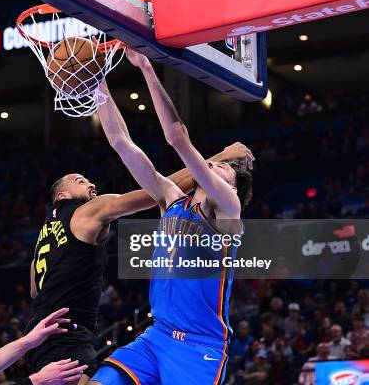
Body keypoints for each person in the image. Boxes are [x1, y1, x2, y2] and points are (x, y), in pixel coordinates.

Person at [89, 48, 253, 385]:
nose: (216, 164)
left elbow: (177, 137)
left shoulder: (228, 209)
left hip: (198, 347)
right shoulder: (171, 199)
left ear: (233, 188)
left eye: (225, 167)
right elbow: (121, 142)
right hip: (156, 337)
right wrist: (96, 81)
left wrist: (147, 69)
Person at [27, 149, 252, 384]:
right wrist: (217, 159)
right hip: (67, 330)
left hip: (37, 332)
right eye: (80, 181)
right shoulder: (88, 210)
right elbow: (148, 195)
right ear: (62, 196)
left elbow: (35, 289)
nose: (91, 184)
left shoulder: (44, 236)